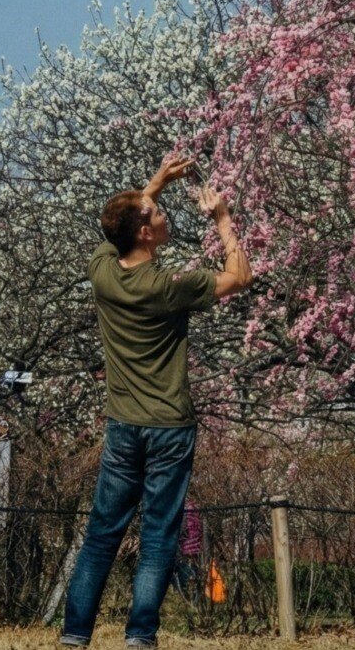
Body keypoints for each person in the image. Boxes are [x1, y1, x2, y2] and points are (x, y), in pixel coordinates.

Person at [61, 155, 252, 649]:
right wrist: (223, 219)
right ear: (145, 233)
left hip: (123, 425)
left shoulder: (102, 271)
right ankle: (140, 637)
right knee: (159, 537)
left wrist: (158, 183)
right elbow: (239, 277)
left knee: (101, 535)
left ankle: (74, 637)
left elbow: (117, 230)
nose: (163, 214)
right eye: (157, 214)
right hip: (169, 426)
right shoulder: (170, 286)